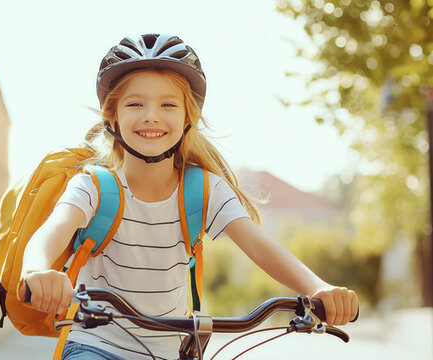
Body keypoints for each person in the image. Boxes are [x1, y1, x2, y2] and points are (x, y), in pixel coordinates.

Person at [19, 33, 359, 359]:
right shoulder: (93, 186)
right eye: (135, 103)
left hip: (170, 350)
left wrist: (318, 288)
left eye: (168, 104)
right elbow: (51, 232)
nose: (151, 115)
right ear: (113, 117)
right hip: (95, 344)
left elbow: (260, 245)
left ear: (187, 119)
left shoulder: (203, 190)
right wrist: (37, 271)